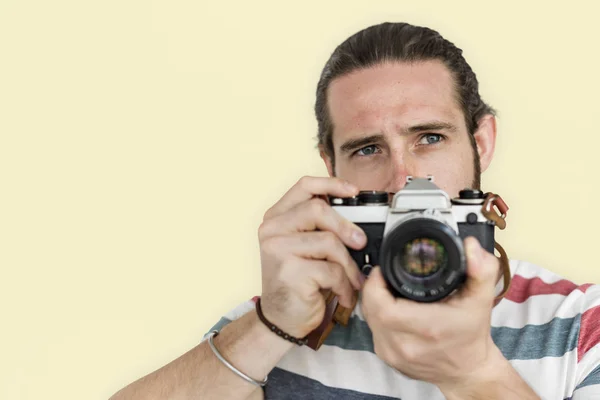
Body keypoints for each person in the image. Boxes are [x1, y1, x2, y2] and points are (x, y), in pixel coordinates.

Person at [109, 22, 600, 400]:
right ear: (331, 166)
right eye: (367, 149)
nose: (403, 180)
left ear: (481, 142)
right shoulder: (291, 322)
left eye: (429, 138)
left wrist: (475, 374)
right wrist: (270, 327)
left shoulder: (580, 326)